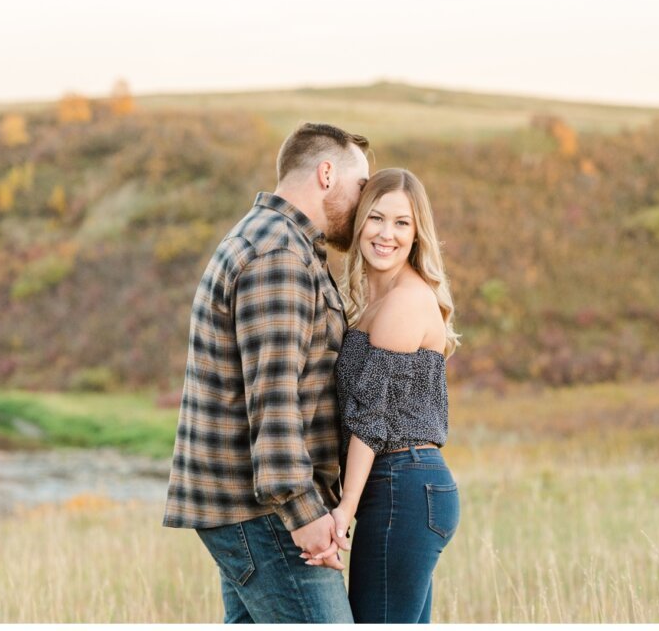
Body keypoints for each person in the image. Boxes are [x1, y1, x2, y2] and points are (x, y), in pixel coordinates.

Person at [162, 122, 371, 623]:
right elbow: (274, 400)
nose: (365, 202)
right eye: (361, 185)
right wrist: (303, 511)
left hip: (252, 505)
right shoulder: (279, 254)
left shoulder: (272, 240)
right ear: (326, 173)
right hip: (267, 510)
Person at [301, 168, 461, 623]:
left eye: (401, 223)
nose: (386, 234)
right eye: (376, 218)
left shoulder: (406, 302)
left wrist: (342, 512)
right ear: (358, 223)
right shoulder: (370, 302)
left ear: (416, 234)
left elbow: (371, 420)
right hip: (397, 484)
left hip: (403, 483)